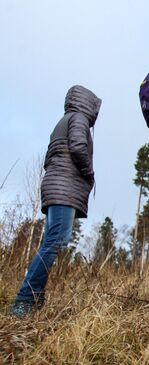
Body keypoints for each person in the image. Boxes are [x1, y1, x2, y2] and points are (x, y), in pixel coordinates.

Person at [10, 85, 101, 318]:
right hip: (65, 187)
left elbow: (50, 158)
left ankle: (35, 297)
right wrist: (89, 173)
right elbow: (79, 148)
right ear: (88, 104)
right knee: (55, 242)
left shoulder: (64, 120)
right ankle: (25, 300)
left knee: (53, 241)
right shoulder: (79, 119)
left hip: (55, 185)